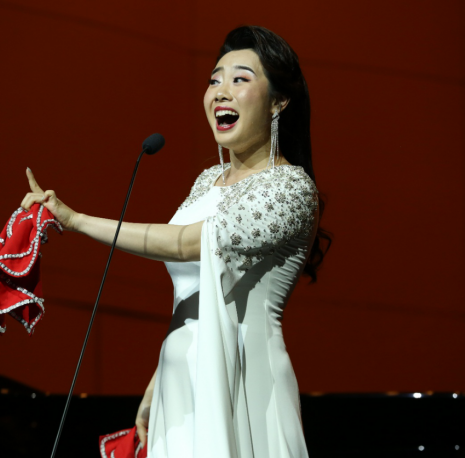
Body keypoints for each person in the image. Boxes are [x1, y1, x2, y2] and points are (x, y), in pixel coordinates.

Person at [21, 25, 330, 458]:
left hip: (243, 378)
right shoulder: (207, 181)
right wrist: (157, 382)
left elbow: (188, 244)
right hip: (180, 382)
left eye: (240, 79)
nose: (221, 92)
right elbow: (192, 294)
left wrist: (77, 221)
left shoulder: (290, 187)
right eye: (214, 80)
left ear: (279, 101)